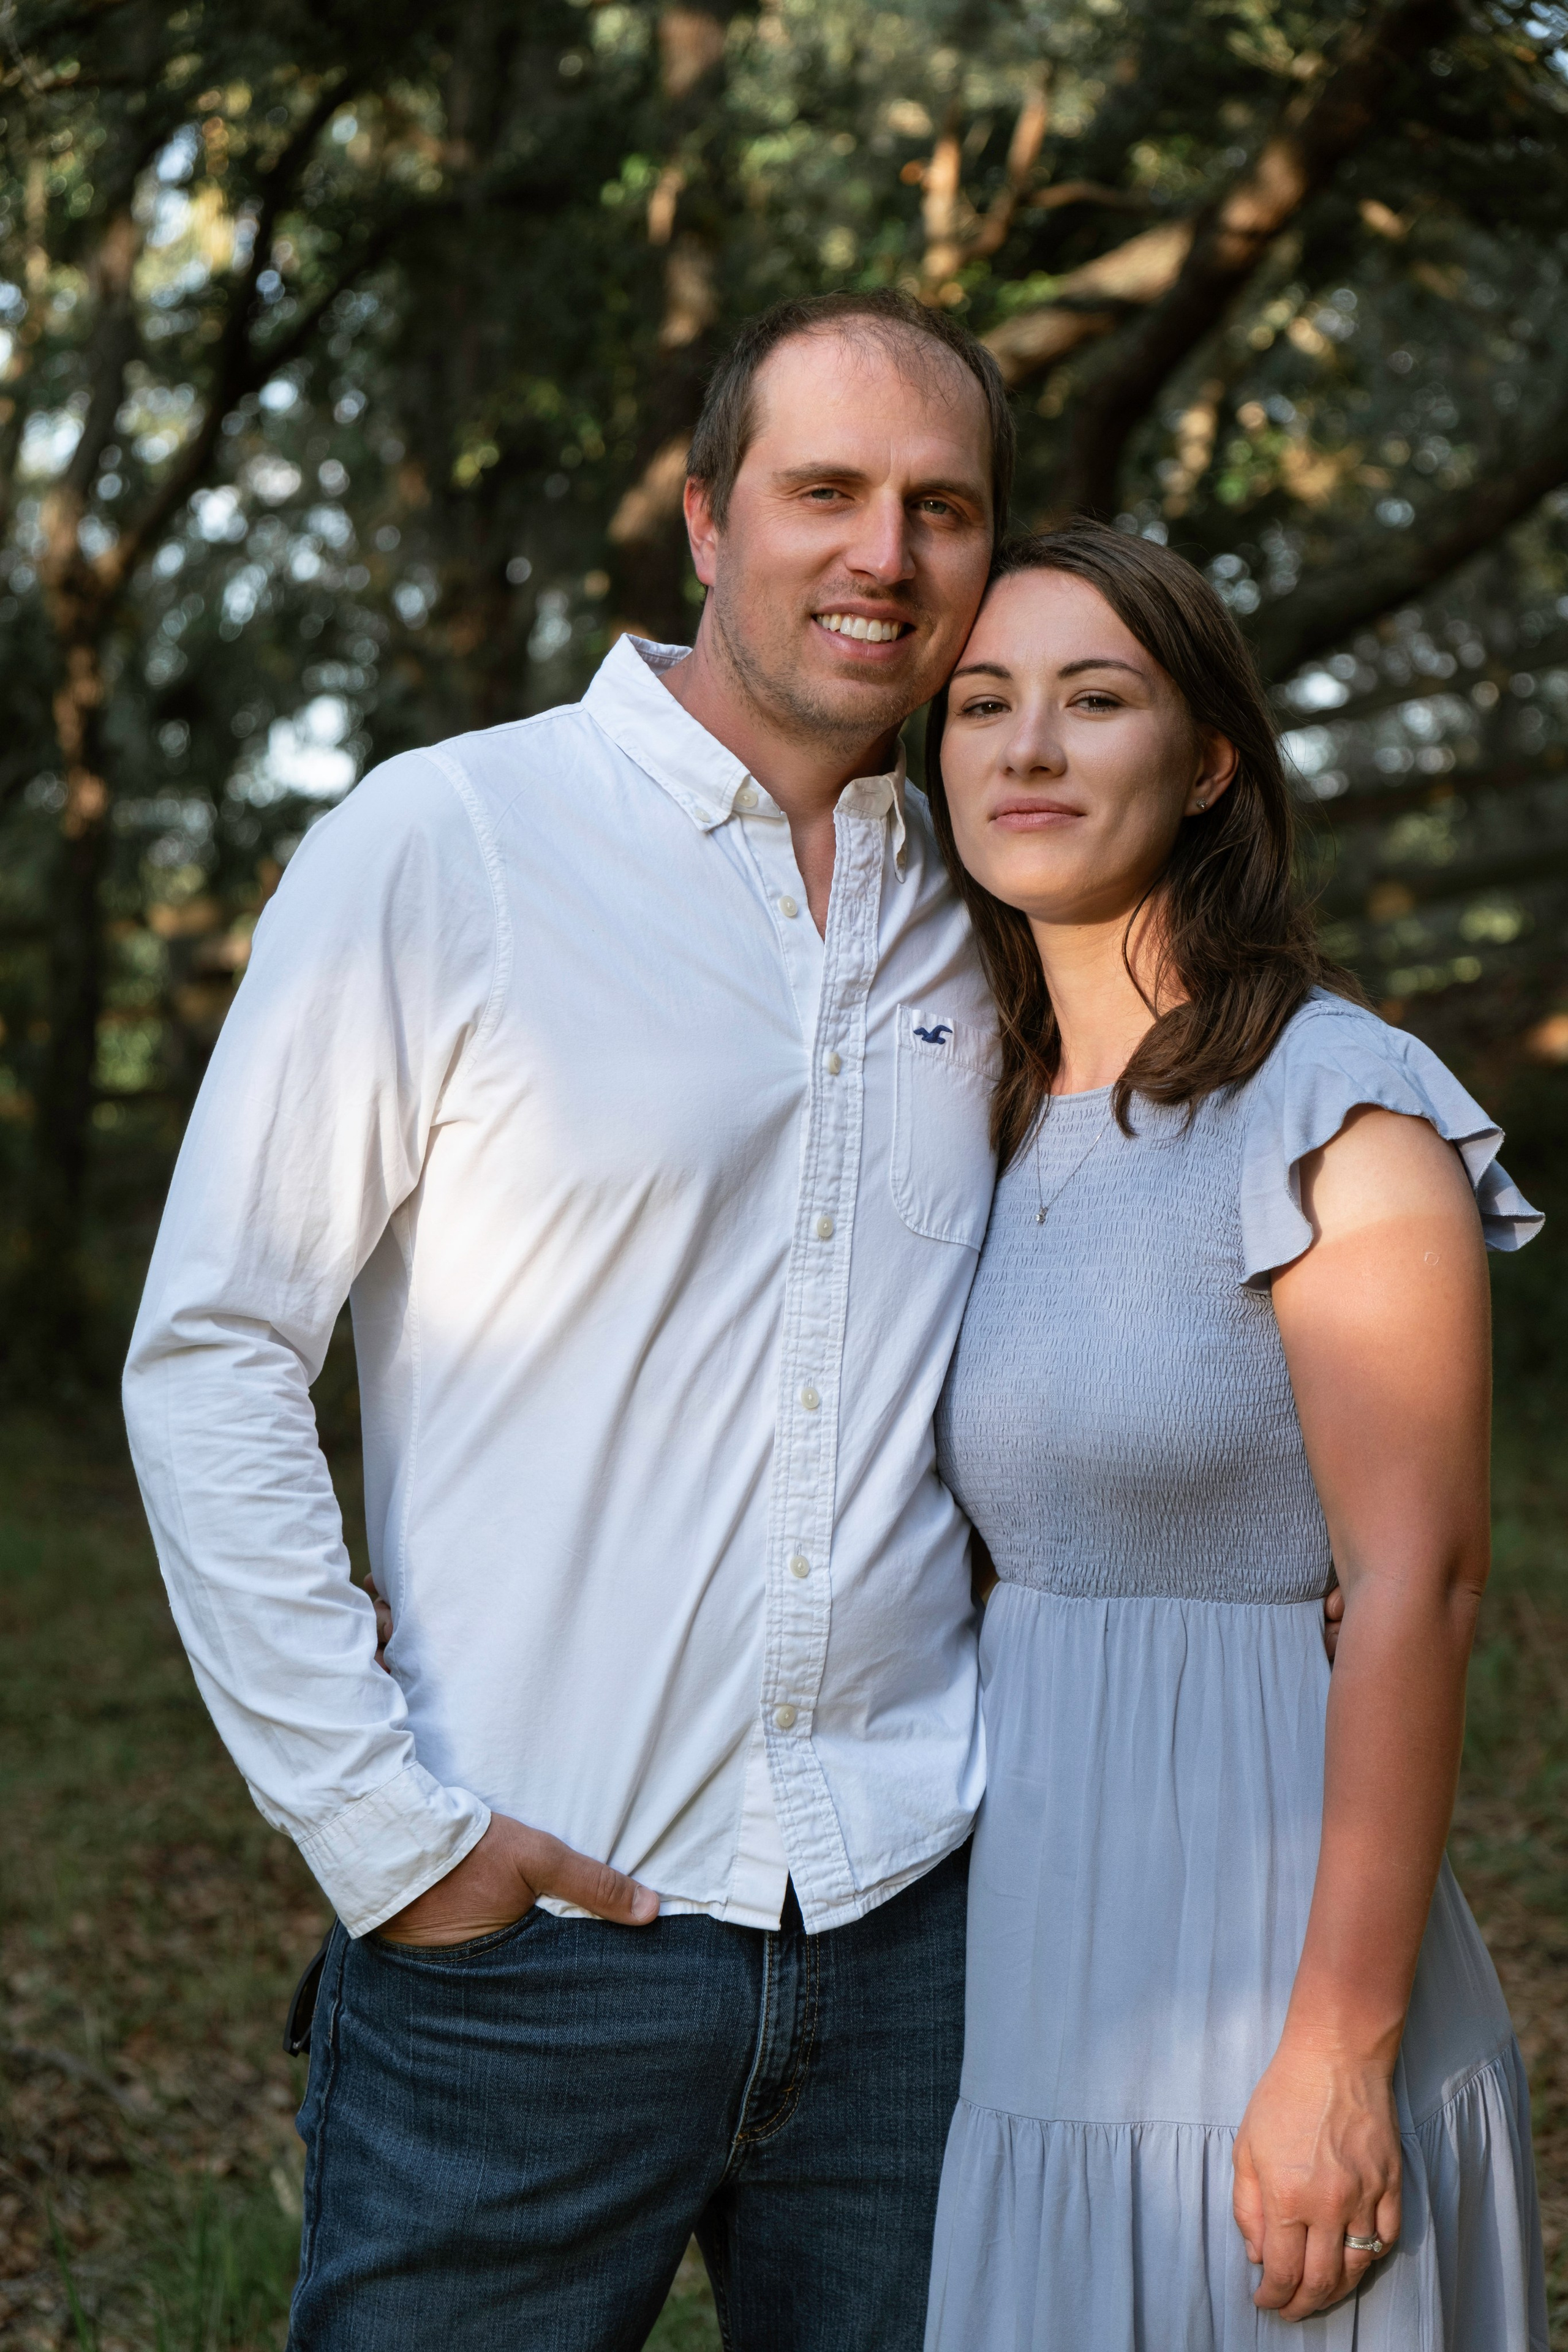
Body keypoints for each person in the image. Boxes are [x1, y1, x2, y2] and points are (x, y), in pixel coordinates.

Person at [123, 289, 1013, 2351]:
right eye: (825, 490)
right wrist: (386, 1834)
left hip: (917, 1938)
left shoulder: (992, 903)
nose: (885, 554)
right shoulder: (450, 839)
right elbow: (216, 1350)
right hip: (528, 1951)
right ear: (707, 521)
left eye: (943, 507)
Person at [921, 524, 1549, 2349]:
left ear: (1208, 764)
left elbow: (1422, 1582)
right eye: (982, 703)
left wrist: (1338, 2052)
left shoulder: (1337, 1107)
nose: (1031, 747)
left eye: (1095, 698)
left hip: (1273, 1942)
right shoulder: (982, 1113)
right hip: (1039, 1944)